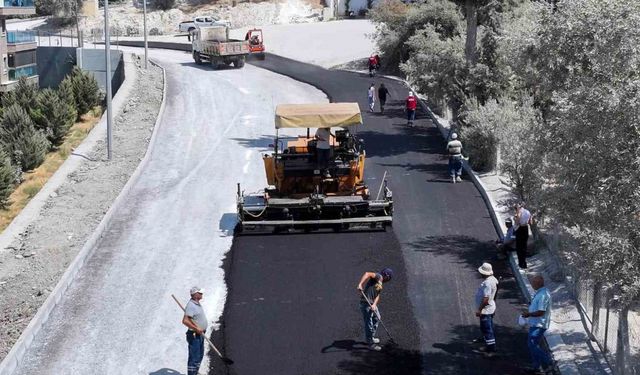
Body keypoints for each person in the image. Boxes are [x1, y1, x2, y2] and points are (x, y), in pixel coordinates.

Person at [521, 275, 553, 374]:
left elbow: (541, 311)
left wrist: (528, 314)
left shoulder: (543, 295)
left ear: (538, 283)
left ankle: (549, 362)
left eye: (533, 283)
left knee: (532, 344)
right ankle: (536, 367)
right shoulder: (540, 293)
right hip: (535, 323)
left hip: (539, 324)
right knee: (533, 344)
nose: (532, 284)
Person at [356, 268, 393, 351]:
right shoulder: (378, 276)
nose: (389, 280)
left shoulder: (381, 283)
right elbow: (367, 273)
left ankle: (371, 337)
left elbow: (377, 295)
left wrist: (374, 304)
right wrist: (360, 284)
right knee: (369, 323)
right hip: (366, 303)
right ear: (387, 276)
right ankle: (370, 343)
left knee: (377, 318)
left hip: (372, 304)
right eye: (389, 278)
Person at [473, 263, 499, 358]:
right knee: (487, 328)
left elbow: (485, 299)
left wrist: (480, 310)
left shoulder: (487, 283)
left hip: (486, 310)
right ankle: (488, 346)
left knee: (487, 329)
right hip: (490, 307)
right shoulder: (494, 279)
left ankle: (491, 350)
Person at [182, 287, 209, 375]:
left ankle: (195, 373)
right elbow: (185, 321)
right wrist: (196, 328)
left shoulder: (196, 303)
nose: (202, 294)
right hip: (194, 335)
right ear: (195, 294)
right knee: (194, 357)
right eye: (200, 293)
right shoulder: (191, 305)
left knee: (199, 355)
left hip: (200, 334)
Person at [514, 202, 533, 269]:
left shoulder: (519, 212)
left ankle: (520, 263)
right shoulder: (528, 212)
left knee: (519, 247)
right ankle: (524, 263)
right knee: (524, 247)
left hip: (520, 229)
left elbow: (517, 221)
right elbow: (530, 222)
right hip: (525, 229)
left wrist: (516, 219)